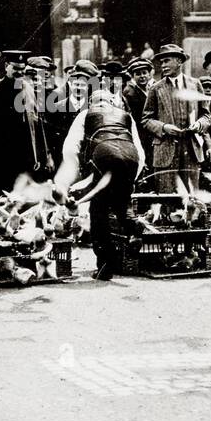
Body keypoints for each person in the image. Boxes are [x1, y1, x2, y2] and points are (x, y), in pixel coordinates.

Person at [59, 89, 145, 281]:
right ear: (112, 102)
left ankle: (105, 266)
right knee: (123, 203)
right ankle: (133, 227)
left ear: (92, 102)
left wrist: (78, 176)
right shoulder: (126, 116)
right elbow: (140, 150)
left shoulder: (86, 114)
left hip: (103, 156)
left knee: (99, 212)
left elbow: (70, 148)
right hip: (130, 157)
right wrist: (132, 178)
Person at [142, 43, 210, 193]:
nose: (163, 65)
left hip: (191, 149)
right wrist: (164, 127)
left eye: (167, 61)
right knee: (167, 198)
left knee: (192, 197)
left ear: (179, 61)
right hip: (166, 149)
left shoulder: (195, 85)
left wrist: (199, 125)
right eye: (161, 62)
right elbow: (146, 119)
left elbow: (206, 115)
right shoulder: (156, 88)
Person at [0, 50, 54, 190]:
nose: (19, 73)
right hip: (3, 158)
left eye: (22, 69)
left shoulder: (29, 89)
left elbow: (37, 124)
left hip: (28, 157)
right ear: (6, 66)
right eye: (15, 68)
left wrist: (45, 155)